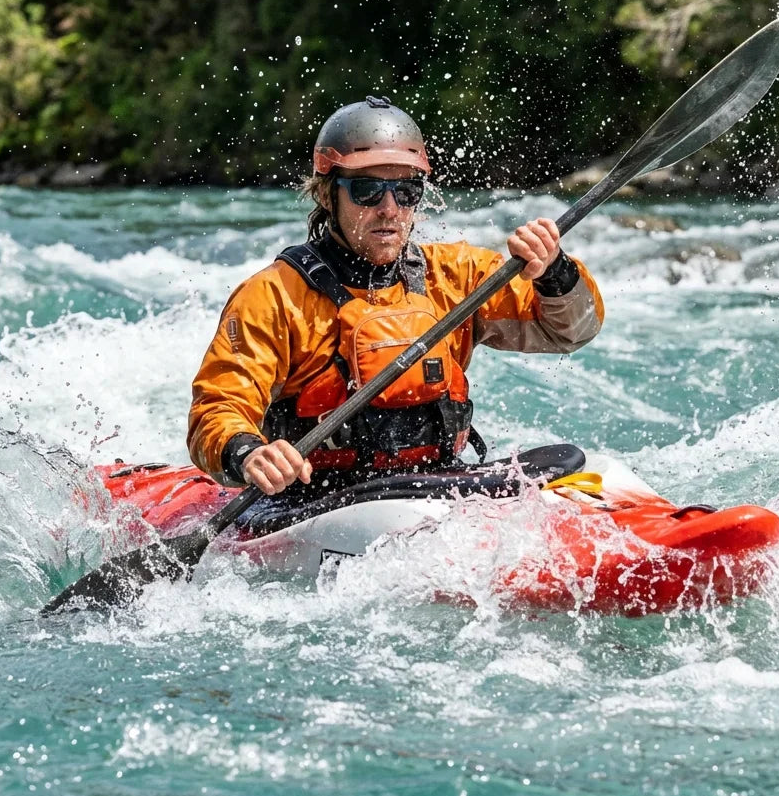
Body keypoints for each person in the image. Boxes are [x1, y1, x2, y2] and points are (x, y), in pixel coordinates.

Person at [188, 95, 604, 499]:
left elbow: (571, 332)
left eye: (406, 192)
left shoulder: (457, 276)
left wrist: (554, 271)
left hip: (436, 484)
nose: (390, 208)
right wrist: (249, 454)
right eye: (368, 190)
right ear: (325, 194)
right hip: (313, 498)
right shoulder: (275, 296)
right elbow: (218, 407)